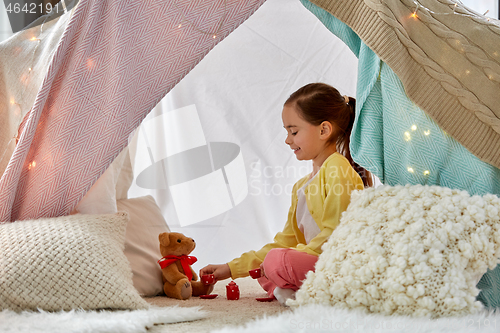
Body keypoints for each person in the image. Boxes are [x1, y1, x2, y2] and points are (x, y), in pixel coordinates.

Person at [200, 83, 372, 305]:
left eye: (294, 131)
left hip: (338, 265)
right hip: (313, 264)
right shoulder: (301, 185)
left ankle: (299, 290)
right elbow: (285, 241)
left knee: (275, 262)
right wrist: (230, 269)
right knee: (266, 266)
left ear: (323, 130)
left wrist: (289, 258)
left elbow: (336, 235)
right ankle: (294, 289)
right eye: (287, 132)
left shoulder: (337, 168)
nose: (287, 140)